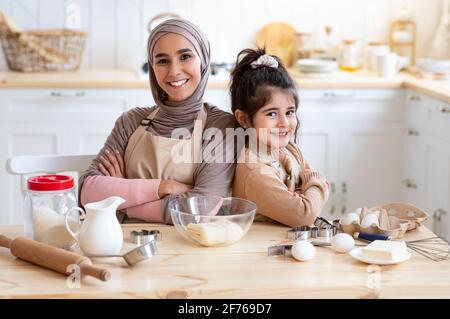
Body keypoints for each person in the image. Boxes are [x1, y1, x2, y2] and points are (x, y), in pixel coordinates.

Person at [79, 18, 236, 223]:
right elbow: (87, 193)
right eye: (162, 61)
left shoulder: (220, 126)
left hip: (188, 247)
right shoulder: (131, 121)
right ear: (152, 67)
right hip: (123, 244)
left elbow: (202, 209)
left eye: (185, 56)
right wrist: (164, 187)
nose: (174, 71)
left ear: (204, 60)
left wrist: (122, 201)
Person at [230, 48, 329, 227]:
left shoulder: (289, 148)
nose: (284, 123)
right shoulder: (254, 172)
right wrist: (314, 183)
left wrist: (306, 193)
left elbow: (311, 197)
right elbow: (305, 215)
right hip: (259, 250)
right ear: (244, 119)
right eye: (272, 114)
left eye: (290, 112)